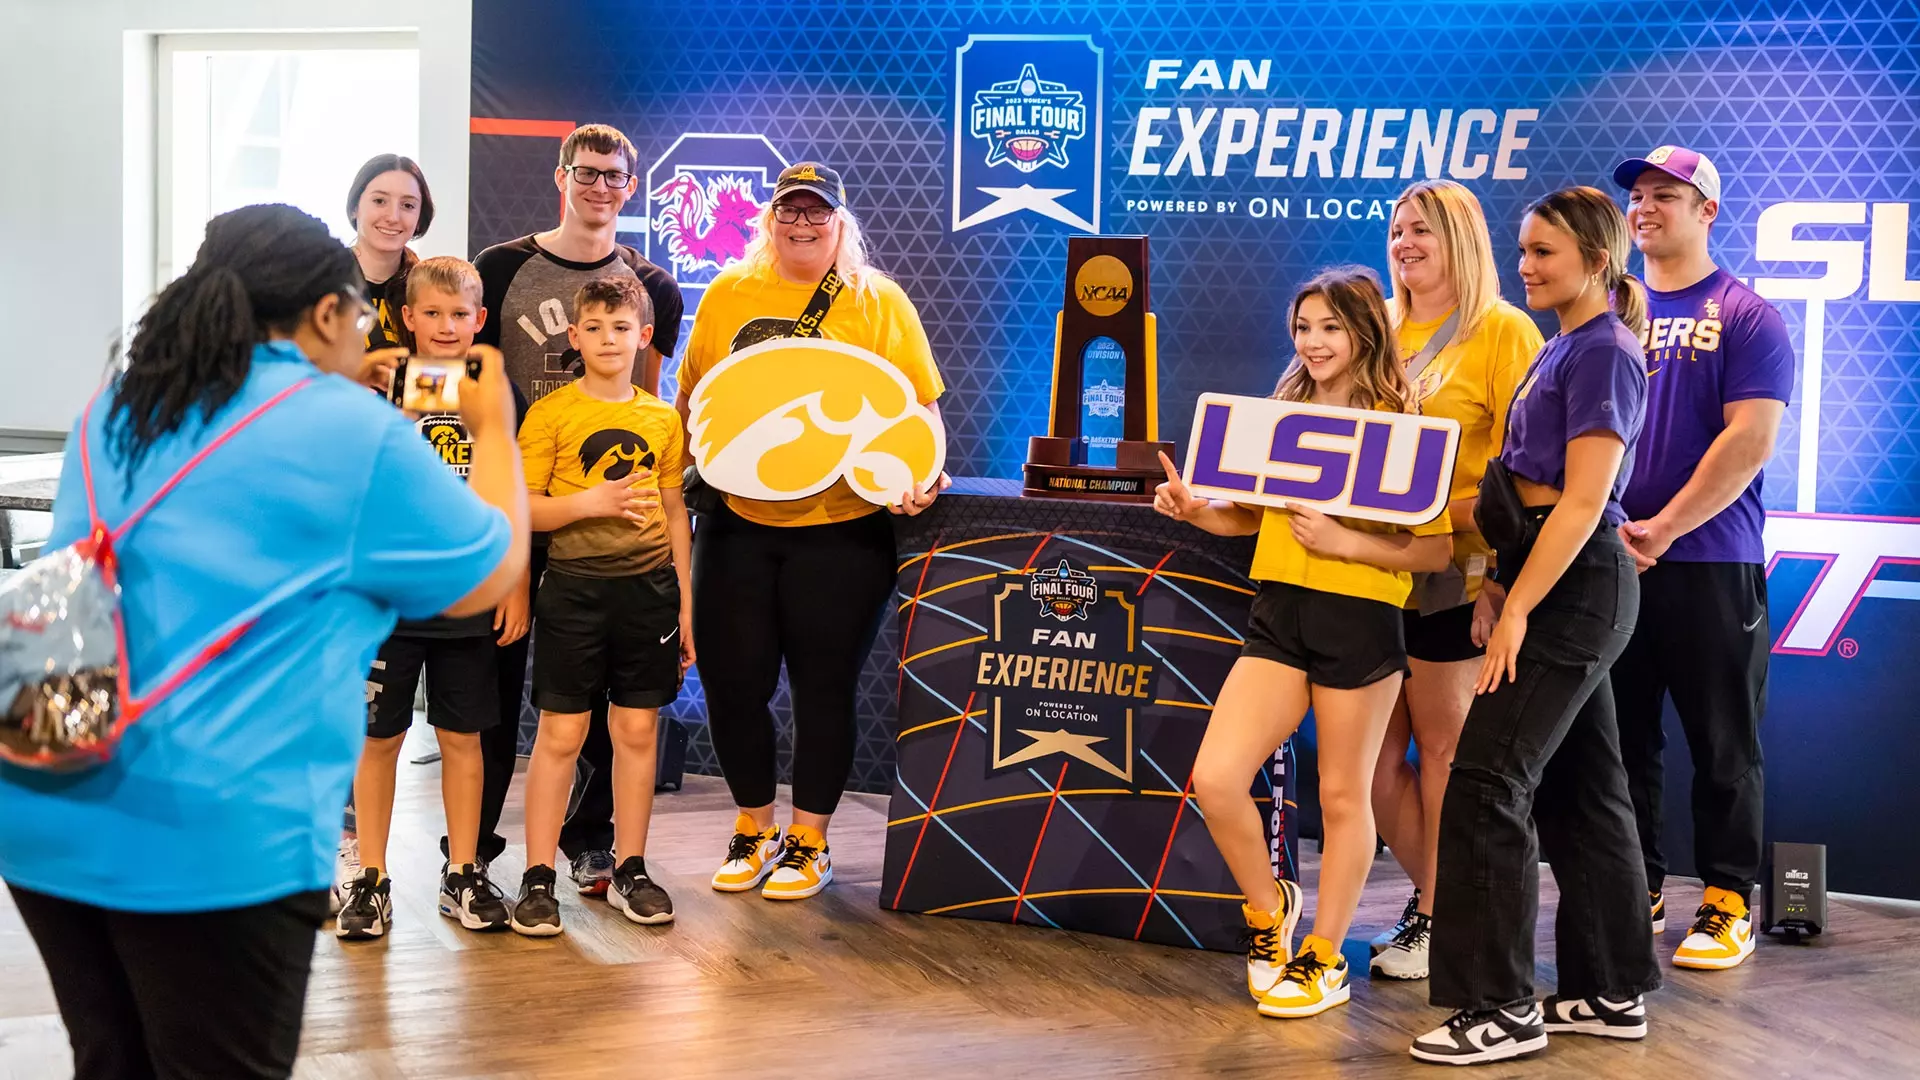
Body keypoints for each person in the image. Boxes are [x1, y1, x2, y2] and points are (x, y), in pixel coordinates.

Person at [0, 204, 527, 1079]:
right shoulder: (348, 430)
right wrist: (494, 425)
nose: (367, 336)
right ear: (324, 313)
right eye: (358, 317)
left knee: (112, 1062)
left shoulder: (121, 405)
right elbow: (489, 571)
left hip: (47, 793)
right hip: (213, 831)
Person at [1154, 266, 1454, 1020]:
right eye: (1303, 327)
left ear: (1365, 332)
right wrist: (1195, 509)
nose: (1314, 342)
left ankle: (1324, 955)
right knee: (1216, 778)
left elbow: (1435, 550)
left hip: (1361, 619)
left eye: (1331, 328)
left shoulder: (1401, 421)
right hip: (1279, 614)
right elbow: (1244, 517)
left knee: (1345, 795)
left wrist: (1347, 541)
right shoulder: (1281, 411)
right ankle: (1269, 911)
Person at [1411, 187, 1658, 1066]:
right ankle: (1607, 989)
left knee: (1485, 781)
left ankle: (1501, 1008)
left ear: (1597, 260)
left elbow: (1583, 502)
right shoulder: (1564, 346)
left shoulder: (1607, 353)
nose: (1526, 266)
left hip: (1576, 589)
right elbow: (1523, 494)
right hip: (1543, 577)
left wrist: (1518, 606)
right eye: (1521, 250)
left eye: (1544, 252)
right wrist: (1499, 586)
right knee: (1582, 789)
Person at [675, 162, 947, 901]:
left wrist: (921, 473)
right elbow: (695, 399)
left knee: (824, 689)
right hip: (737, 523)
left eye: (816, 212)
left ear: (839, 221)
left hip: (842, 530)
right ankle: (753, 827)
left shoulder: (877, 300)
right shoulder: (729, 293)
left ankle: (810, 840)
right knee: (733, 684)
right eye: (789, 211)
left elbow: (919, 410)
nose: (802, 224)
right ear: (770, 219)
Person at [470, 123, 686, 897]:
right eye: (586, 172)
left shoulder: (652, 285)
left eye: (613, 175)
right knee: (497, 689)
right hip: (517, 501)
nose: (599, 187)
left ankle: (594, 843)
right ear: (560, 176)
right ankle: (475, 856)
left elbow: (647, 405)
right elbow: (474, 387)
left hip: (606, 521)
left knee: (606, 704)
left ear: (631, 186)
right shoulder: (500, 268)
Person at [1609, 147, 1793, 971]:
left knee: (1724, 742)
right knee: (1622, 739)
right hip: (1612, 557)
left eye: (1665, 195)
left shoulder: (1747, 315)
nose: (1644, 208)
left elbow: (1749, 440)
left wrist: (1667, 528)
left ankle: (1726, 900)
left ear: (1707, 210)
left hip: (1711, 558)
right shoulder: (1610, 310)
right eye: (1637, 196)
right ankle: (1636, 884)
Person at [1368, 180, 1544, 980]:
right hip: (1366, 572)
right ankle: (1441, 903)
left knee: (1443, 755)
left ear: (1462, 241)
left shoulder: (1503, 331)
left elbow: (1526, 476)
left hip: (1456, 575)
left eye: (1423, 231)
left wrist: (1501, 579)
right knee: (1371, 765)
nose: (1405, 244)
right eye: (1398, 230)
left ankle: (1439, 918)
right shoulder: (1376, 324)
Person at [336, 257, 522, 940]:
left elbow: (512, 492)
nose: (446, 326)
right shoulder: (377, 384)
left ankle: (464, 872)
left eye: (460, 314)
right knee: (378, 738)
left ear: (480, 319)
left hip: (466, 594)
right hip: (389, 596)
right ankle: (371, 878)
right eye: (433, 314)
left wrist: (514, 580)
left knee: (463, 739)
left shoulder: (495, 390)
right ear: (407, 317)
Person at [510, 275, 693, 936]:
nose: (608, 339)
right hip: (574, 590)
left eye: (621, 328)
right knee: (561, 734)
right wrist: (590, 503)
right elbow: (523, 509)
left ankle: (630, 867)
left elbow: (675, 512)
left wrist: (686, 605)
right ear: (575, 336)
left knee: (637, 732)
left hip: (649, 594)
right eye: (595, 328)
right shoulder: (551, 414)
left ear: (644, 336)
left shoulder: (663, 418)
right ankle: (537, 876)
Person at [334, 152, 438, 911]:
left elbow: (456, 382)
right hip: (326, 506)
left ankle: (358, 853)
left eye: (407, 204)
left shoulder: (430, 288)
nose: (392, 215)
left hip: (401, 512)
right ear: (355, 205)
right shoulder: (316, 281)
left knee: (372, 700)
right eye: (380, 199)